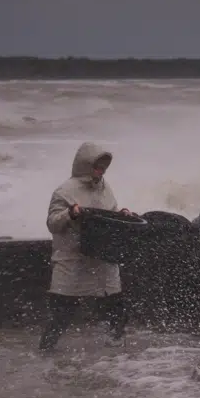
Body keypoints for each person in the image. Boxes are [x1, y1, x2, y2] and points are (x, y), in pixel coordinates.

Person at [39, 142, 133, 352]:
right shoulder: (64, 191)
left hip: (102, 256)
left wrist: (122, 215)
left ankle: (116, 348)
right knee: (63, 312)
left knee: (115, 307)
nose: (101, 172)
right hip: (73, 259)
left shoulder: (105, 188)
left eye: (103, 168)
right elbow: (52, 223)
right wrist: (70, 214)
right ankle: (46, 350)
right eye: (97, 167)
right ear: (85, 165)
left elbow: (111, 212)